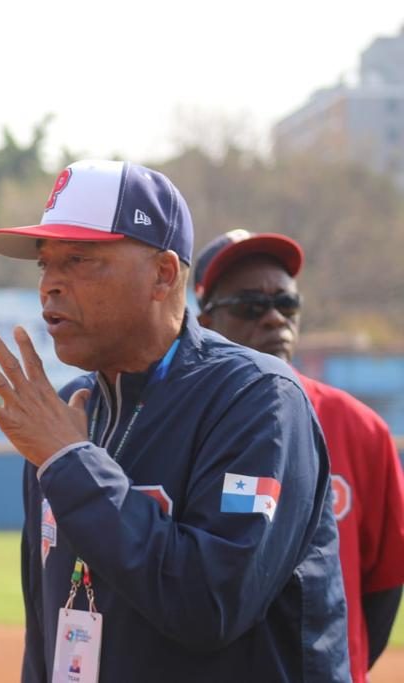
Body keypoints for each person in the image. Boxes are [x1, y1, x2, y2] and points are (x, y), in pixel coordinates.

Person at [0, 159, 349, 682]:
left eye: (79, 259)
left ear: (163, 275)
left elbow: (212, 605)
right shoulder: (70, 408)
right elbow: (47, 627)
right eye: (44, 264)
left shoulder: (256, 398)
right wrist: (64, 456)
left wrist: (72, 462)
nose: (50, 284)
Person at [195, 229, 404, 682]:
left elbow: (384, 586)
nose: (274, 319)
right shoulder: (184, 423)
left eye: (286, 304)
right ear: (205, 323)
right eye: (250, 305)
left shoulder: (361, 429)